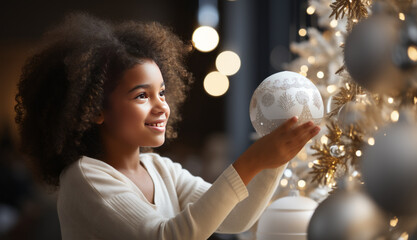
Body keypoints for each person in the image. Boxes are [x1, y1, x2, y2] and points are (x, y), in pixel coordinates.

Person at [15, 13, 320, 239]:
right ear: (95, 110)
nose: (161, 105)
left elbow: (235, 218)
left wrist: (274, 161)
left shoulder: (161, 169)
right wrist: (253, 159)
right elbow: (168, 236)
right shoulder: (85, 179)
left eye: (161, 92)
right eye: (141, 95)